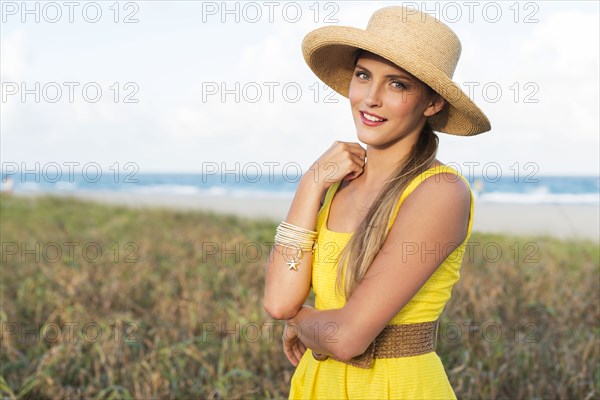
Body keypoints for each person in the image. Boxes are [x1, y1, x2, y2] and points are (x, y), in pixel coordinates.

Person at [263, 6, 491, 399]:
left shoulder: (439, 192)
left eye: (398, 85)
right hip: (319, 385)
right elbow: (279, 301)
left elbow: (348, 337)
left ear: (433, 102)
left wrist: (301, 323)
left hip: (396, 388)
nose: (370, 98)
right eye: (363, 75)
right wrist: (310, 184)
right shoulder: (336, 186)